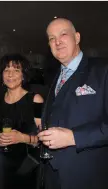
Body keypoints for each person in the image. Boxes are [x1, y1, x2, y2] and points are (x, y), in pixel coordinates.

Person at [38, 18, 108, 189]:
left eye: (63, 34)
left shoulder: (103, 70)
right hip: (50, 176)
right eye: (51, 38)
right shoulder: (55, 77)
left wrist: (73, 137)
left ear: (77, 37)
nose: (57, 42)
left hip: (87, 177)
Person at [0, 53, 44, 189]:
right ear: (2, 75)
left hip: (26, 168)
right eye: (6, 70)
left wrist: (23, 138)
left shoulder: (35, 100)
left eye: (16, 70)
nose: (10, 75)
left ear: (23, 75)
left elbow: (44, 139)